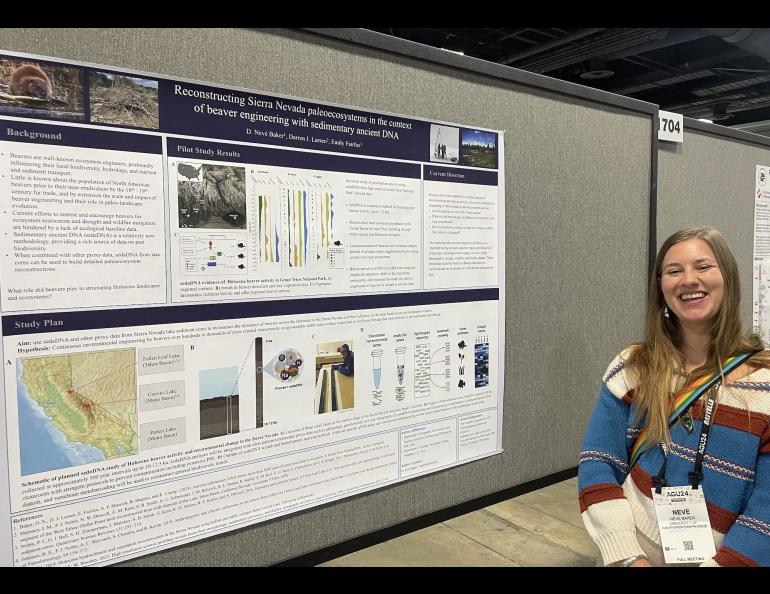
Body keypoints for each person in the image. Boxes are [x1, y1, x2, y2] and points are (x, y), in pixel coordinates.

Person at [579, 227, 770, 567]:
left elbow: (765, 514)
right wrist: (627, 556)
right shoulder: (633, 367)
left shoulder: (765, 384)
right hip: (631, 554)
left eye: (703, 266)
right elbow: (599, 464)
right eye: (674, 271)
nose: (688, 280)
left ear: (728, 278)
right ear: (661, 287)